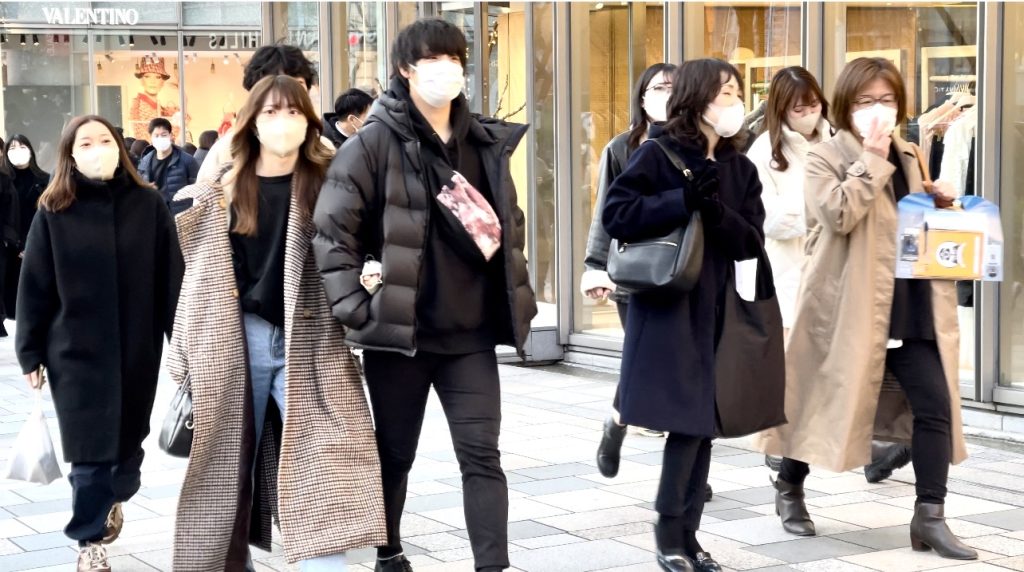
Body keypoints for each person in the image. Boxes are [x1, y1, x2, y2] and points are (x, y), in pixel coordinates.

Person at [313, 18, 537, 572]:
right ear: (404, 70)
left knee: (483, 456)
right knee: (394, 456)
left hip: (471, 335)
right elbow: (331, 235)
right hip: (401, 338)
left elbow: (508, 224)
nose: (447, 69)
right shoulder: (371, 144)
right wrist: (357, 309)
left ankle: (494, 565)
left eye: (456, 58)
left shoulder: (484, 141)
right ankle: (388, 554)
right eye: (434, 59)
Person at [755, 57, 977, 561]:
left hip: (911, 302)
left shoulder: (912, 153)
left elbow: (911, 226)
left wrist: (940, 201)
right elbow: (836, 214)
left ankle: (930, 517)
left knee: (935, 407)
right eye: (865, 101)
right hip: (847, 306)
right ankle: (789, 484)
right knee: (816, 402)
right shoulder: (823, 156)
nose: (878, 111)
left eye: (888, 100)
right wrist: (873, 158)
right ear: (845, 105)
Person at [169, 75, 386, 571]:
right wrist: (183, 352)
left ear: (309, 120)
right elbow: (199, 279)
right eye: (269, 113)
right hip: (236, 338)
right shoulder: (224, 184)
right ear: (252, 122)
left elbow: (365, 241)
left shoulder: (332, 176)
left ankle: (323, 563)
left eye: (292, 112)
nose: (281, 122)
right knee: (227, 466)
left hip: (313, 340)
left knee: (326, 460)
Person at [602, 58, 767, 572]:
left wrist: (716, 213)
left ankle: (686, 537)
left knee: (703, 425)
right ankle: (670, 534)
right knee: (688, 422)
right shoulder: (657, 153)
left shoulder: (740, 167)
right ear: (697, 99)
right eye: (724, 93)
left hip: (721, 311)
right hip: (669, 308)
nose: (734, 103)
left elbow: (751, 241)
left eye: (738, 93)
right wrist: (679, 200)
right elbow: (617, 215)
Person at [15, 115, 181, 572]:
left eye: (103, 140)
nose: (95, 149)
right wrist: (28, 351)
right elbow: (34, 287)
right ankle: (89, 541)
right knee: (88, 455)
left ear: (121, 147)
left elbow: (172, 279)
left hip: (136, 351)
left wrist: (183, 343)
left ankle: (116, 495)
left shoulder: (149, 205)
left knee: (127, 452)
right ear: (70, 154)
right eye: (84, 143)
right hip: (74, 354)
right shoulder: (53, 209)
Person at [586, 63, 680, 467]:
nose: (668, 94)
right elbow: (606, 211)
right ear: (642, 98)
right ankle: (618, 421)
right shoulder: (622, 148)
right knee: (646, 362)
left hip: (684, 271)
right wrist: (595, 265)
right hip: (636, 275)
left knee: (679, 364)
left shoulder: (695, 146)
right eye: (659, 87)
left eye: (675, 87)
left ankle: (685, 458)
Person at [197, 44, 334, 182]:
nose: (288, 93)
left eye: (297, 84)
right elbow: (204, 201)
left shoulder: (323, 150)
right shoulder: (227, 150)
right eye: (273, 85)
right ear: (255, 95)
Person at [3, 135, 51, 317]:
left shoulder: (44, 180)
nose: (18, 152)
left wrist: (31, 243)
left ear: (31, 150)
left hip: (36, 243)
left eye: (22, 147)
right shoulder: (5, 181)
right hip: (9, 246)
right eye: (12, 148)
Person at [137, 118, 198, 206]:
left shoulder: (187, 160)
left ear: (171, 135)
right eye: (156, 136)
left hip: (180, 215)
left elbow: (197, 189)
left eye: (164, 135)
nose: (160, 138)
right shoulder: (145, 162)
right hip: (155, 213)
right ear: (151, 137)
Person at [129, 57, 179, 140]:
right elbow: (145, 136)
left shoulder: (158, 106)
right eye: (147, 76)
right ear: (141, 80)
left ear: (163, 82)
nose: (153, 81)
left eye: (158, 77)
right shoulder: (140, 107)